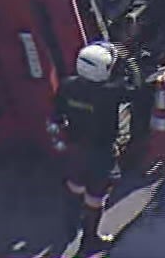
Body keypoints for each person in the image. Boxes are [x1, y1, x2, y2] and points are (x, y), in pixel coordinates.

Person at [51, 41, 147, 257]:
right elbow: (138, 88)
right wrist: (129, 62)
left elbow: (57, 116)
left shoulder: (67, 85)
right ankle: (89, 242)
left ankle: (70, 225)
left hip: (76, 149)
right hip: (101, 153)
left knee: (75, 185)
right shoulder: (111, 92)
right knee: (96, 197)